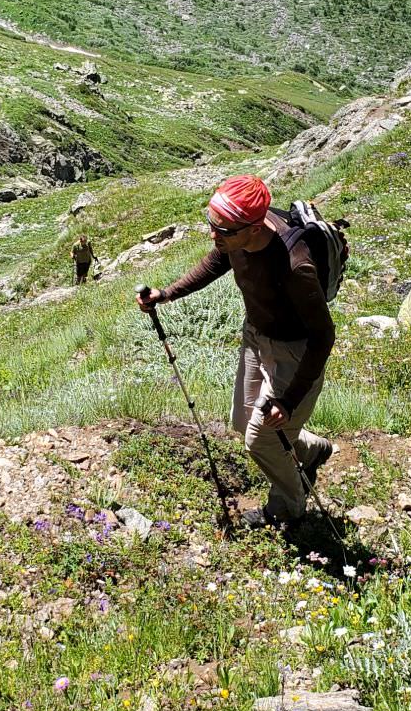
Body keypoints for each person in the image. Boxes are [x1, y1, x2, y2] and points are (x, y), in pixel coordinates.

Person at [137, 174, 336, 526]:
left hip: (295, 352)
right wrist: (166, 294)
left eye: (224, 230)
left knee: (261, 441)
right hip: (256, 335)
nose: (215, 236)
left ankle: (288, 508)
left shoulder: (295, 266)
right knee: (243, 421)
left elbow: (323, 336)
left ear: (256, 227)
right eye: (212, 224)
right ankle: (311, 450)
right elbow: (217, 260)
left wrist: (288, 402)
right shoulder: (236, 237)